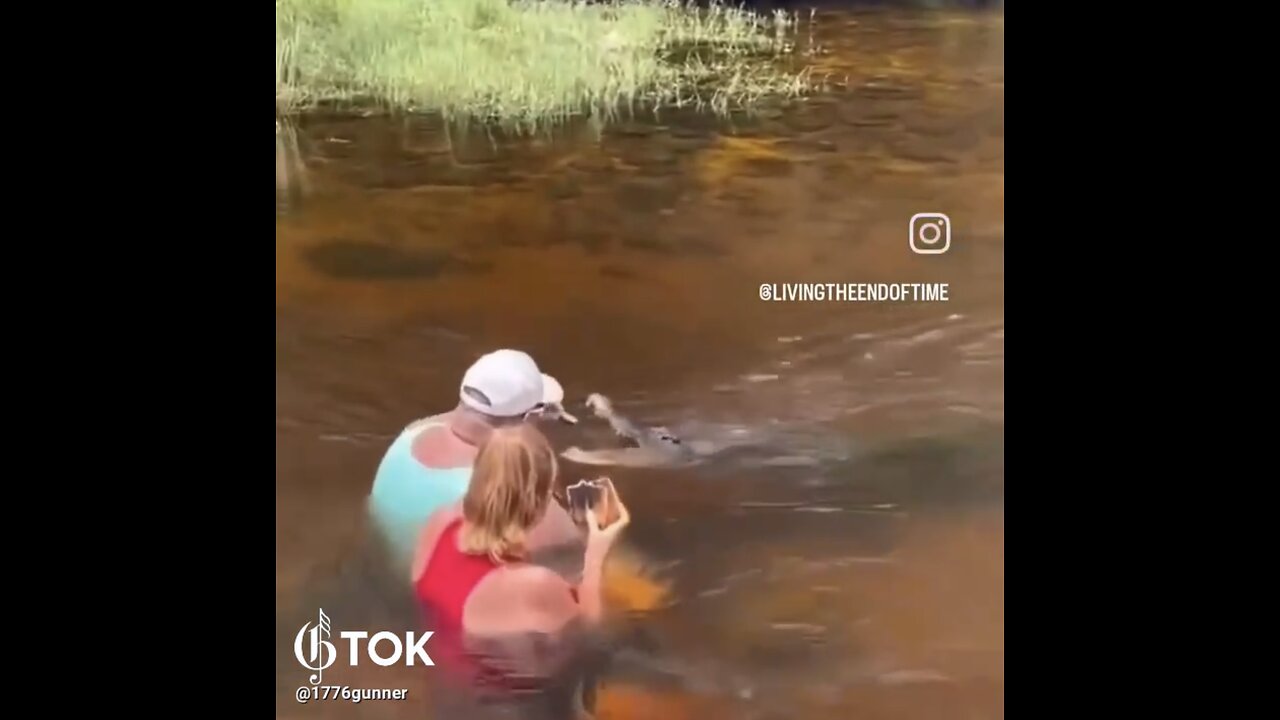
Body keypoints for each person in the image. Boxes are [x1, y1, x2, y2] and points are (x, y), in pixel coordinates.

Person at [411, 424, 629, 715]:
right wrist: (596, 554)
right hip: (509, 708)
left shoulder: (437, 526)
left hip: (444, 690)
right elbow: (592, 631)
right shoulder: (533, 585)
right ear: (538, 503)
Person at [368, 349, 582, 573]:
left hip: (394, 577)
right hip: (459, 601)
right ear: (527, 418)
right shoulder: (511, 491)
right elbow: (574, 556)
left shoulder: (411, 433)